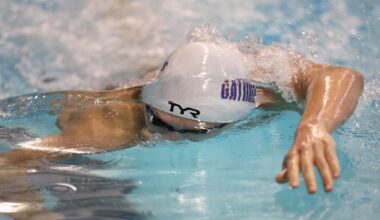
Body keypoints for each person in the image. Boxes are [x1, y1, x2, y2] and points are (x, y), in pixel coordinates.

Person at [0, 27, 363, 197]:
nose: (171, 139)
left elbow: (342, 76)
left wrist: (313, 127)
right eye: (158, 122)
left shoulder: (268, 90)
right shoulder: (113, 125)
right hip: (110, 79)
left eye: (195, 131)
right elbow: (11, 163)